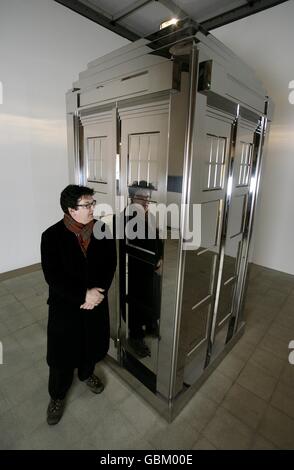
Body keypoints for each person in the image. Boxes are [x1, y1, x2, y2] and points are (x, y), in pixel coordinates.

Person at [41, 185, 116, 425]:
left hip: (96, 301)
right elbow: (53, 276)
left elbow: (110, 265)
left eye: (93, 203)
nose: (93, 208)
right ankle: (57, 396)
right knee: (62, 355)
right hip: (66, 306)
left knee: (91, 344)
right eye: (87, 205)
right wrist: (82, 295)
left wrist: (97, 293)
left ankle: (86, 374)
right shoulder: (51, 236)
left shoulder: (102, 230)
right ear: (71, 209)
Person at [121, 181, 163, 358]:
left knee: (151, 296)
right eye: (142, 197)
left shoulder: (149, 216)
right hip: (134, 268)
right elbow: (134, 245)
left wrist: (160, 257)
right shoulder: (127, 217)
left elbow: (157, 238)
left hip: (149, 268)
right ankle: (135, 337)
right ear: (132, 198)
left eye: (148, 198)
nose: (146, 201)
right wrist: (154, 258)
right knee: (136, 303)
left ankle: (151, 325)